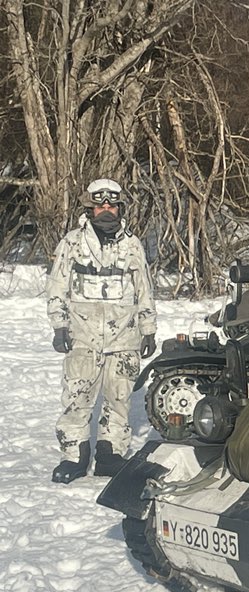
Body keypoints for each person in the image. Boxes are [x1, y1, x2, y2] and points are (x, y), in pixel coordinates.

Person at [46, 178, 157, 483]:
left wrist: (149, 328)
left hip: (125, 335)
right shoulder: (72, 242)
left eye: (111, 204)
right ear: (90, 208)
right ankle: (74, 457)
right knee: (77, 396)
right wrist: (59, 325)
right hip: (83, 335)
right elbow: (57, 286)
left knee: (119, 397)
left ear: (120, 208)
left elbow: (143, 288)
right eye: (99, 204)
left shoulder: (132, 244)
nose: (105, 209)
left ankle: (111, 454)